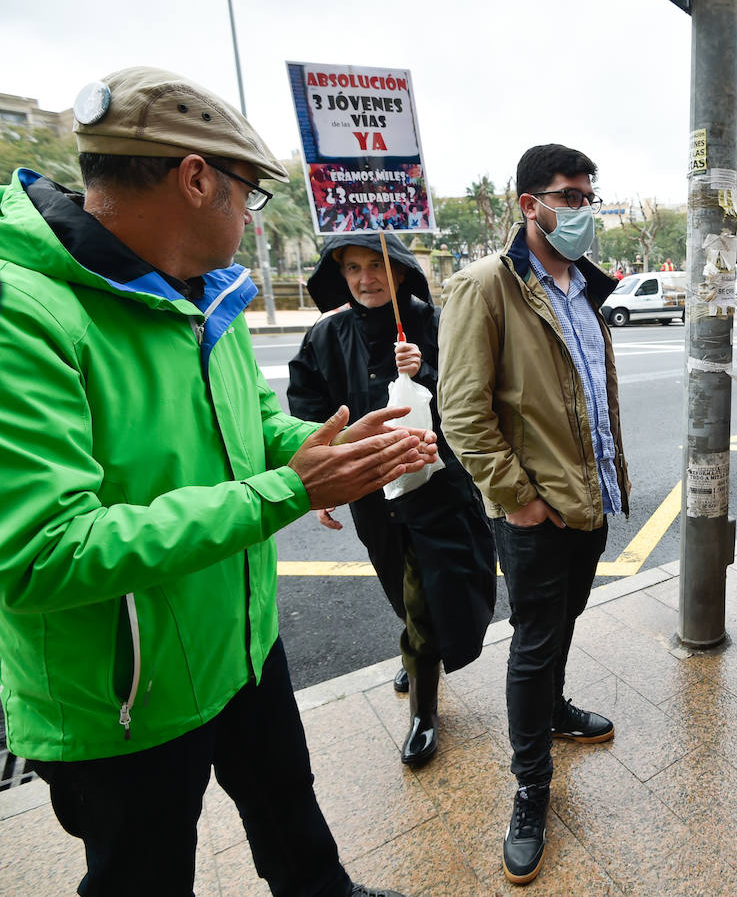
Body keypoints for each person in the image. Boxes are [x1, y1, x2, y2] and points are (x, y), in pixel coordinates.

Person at [0, 67, 419, 897]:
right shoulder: (27, 313)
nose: (247, 215)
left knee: (293, 823)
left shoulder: (205, 293)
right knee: (143, 876)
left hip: (243, 641)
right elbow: (41, 554)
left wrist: (338, 447)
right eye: (247, 194)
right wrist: (288, 492)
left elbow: (251, 428)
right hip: (127, 697)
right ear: (197, 178)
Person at [437, 144, 626, 885]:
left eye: (589, 196)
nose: (583, 209)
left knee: (563, 624)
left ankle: (552, 712)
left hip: (590, 500)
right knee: (536, 640)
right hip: (535, 513)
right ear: (530, 205)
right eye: (568, 197)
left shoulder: (581, 286)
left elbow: (589, 395)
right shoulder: (487, 286)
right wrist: (518, 500)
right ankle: (529, 788)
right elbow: (462, 412)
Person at [288, 233, 497, 768]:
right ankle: (417, 646)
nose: (365, 279)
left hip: (438, 486)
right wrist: (322, 478)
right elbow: (309, 410)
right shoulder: (328, 336)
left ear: (400, 270)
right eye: (353, 268)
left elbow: (476, 392)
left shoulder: (435, 324)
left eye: (376, 265)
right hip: (370, 491)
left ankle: (424, 707)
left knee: (432, 590)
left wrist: (425, 368)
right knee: (396, 581)